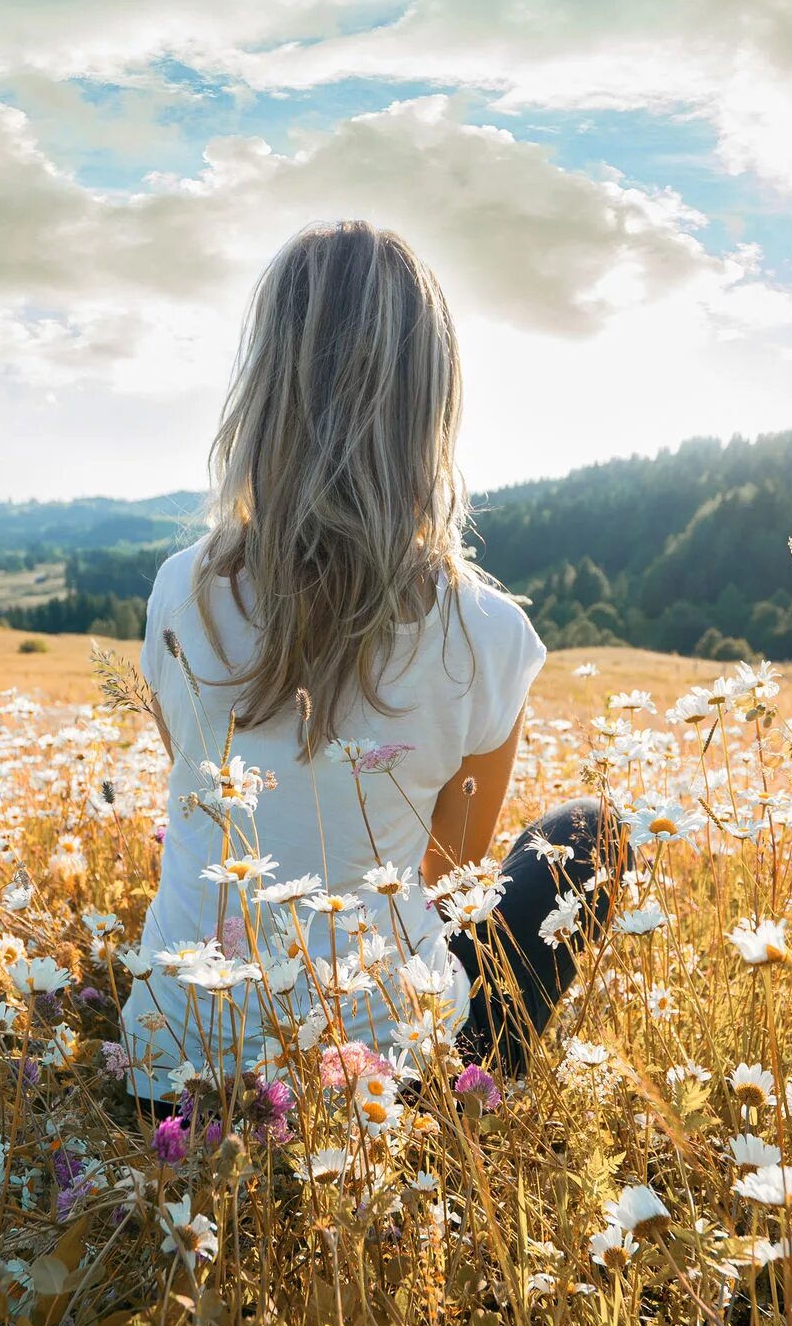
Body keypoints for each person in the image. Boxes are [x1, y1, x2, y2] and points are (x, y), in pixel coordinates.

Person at [123, 220, 624, 1109]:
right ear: (432, 408)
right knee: (592, 834)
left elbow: (204, 788)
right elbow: (442, 877)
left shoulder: (182, 593)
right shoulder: (486, 633)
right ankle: (456, 1080)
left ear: (262, 393)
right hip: (386, 1086)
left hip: (174, 1070)